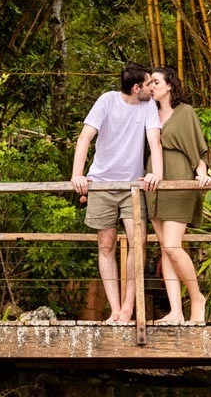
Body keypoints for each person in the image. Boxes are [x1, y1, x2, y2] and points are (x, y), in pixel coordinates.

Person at [71, 63, 163, 323]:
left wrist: (157, 173)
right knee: (106, 245)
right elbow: (85, 137)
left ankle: (128, 308)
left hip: (132, 187)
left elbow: (154, 141)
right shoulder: (107, 101)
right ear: (136, 88)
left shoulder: (148, 107)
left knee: (139, 242)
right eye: (148, 85)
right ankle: (115, 310)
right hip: (101, 184)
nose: (152, 89)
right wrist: (77, 174)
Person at [146, 66, 210, 324]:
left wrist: (202, 172)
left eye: (156, 82)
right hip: (154, 184)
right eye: (149, 82)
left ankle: (197, 298)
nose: (151, 86)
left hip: (179, 180)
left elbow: (198, 147)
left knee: (173, 246)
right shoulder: (148, 113)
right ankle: (175, 311)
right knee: (165, 249)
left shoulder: (185, 112)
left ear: (170, 85)